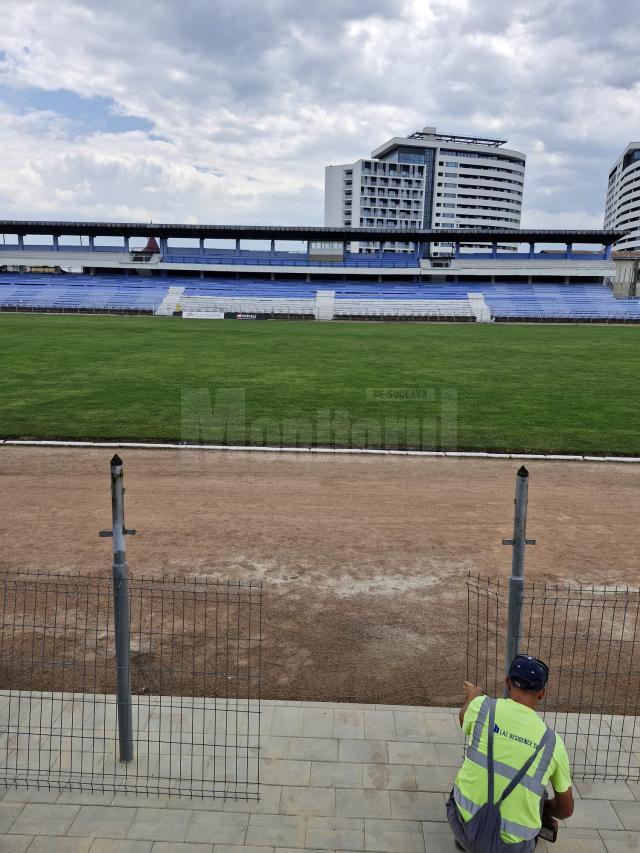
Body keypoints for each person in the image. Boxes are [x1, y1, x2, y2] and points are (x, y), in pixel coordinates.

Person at [447, 655, 574, 851]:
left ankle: (471, 841)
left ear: (508, 682)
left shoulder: (483, 707)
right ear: (542, 692)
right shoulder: (552, 743)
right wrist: (542, 810)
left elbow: (464, 720)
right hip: (512, 849)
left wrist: (472, 696)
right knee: (539, 789)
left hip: (462, 829)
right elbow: (566, 810)